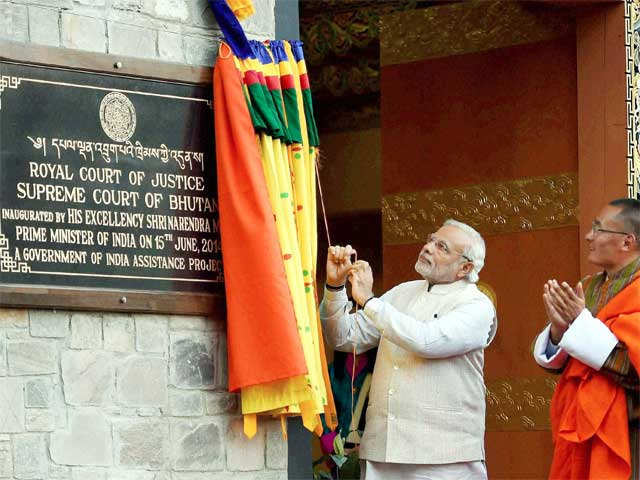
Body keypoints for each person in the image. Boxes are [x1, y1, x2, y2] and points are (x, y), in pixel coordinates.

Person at [319, 219, 497, 480]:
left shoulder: (476, 305)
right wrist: (335, 288)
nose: (428, 248)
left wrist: (369, 300)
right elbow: (344, 337)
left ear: (465, 267)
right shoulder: (403, 293)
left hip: (442, 459)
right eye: (430, 240)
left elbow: (426, 341)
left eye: (442, 247)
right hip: (383, 451)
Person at [532, 198, 640, 480]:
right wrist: (559, 331)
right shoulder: (590, 286)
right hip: (583, 421)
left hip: (631, 426)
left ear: (627, 242)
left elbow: (631, 366)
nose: (589, 236)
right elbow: (566, 364)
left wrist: (579, 326)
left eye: (599, 229)